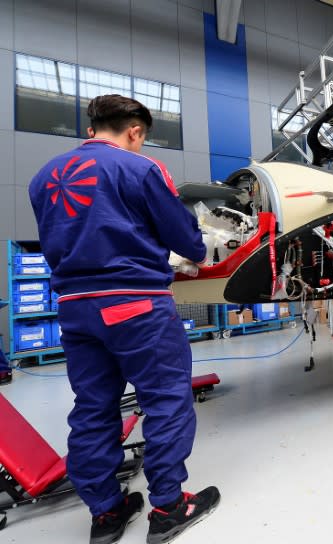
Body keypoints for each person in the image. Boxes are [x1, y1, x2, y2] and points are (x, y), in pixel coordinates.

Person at [28, 94, 220, 544]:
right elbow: (189, 244)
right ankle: (170, 506)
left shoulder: (43, 178)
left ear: (93, 127)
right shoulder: (139, 169)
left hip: (75, 310)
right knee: (166, 399)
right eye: (142, 139)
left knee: (93, 407)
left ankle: (106, 513)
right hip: (136, 306)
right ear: (135, 131)